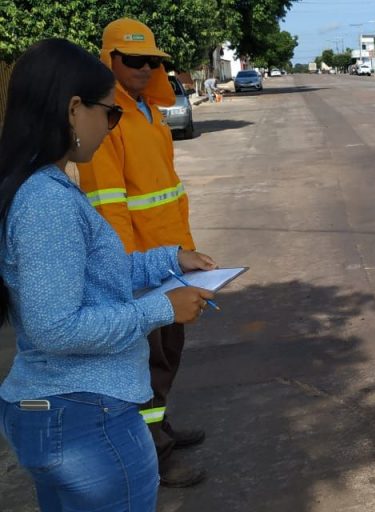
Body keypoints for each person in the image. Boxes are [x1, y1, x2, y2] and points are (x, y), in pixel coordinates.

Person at [0, 38, 216, 512]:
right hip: (85, 415)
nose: (111, 126)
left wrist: (169, 260)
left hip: (69, 409)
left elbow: (99, 273)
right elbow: (55, 328)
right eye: (109, 113)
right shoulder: (47, 202)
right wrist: (161, 308)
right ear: (74, 110)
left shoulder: (45, 187)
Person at [76, 18, 209, 488]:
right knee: (145, 364)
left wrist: (185, 254)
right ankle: (154, 455)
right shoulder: (108, 119)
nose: (144, 68)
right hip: (138, 272)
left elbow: (165, 192)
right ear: (109, 60)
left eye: (152, 60)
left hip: (170, 261)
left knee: (168, 355)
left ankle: (160, 427)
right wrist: (125, 276)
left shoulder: (150, 113)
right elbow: (108, 206)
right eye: (133, 59)